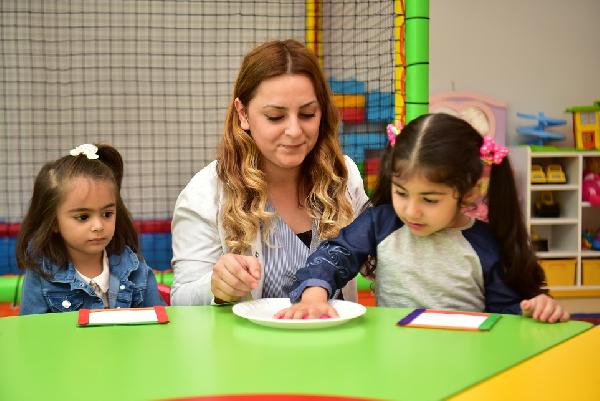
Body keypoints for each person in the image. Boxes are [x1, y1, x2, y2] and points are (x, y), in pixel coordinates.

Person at [277, 113, 569, 323]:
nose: (411, 210)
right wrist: (315, 292)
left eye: (429, 199)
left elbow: (507, 317)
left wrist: (535, 309)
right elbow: (337, 253)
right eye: (401, 193)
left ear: (468, 193)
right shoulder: (382, 223)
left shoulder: (485, 245)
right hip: (394, 362)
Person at [170, 39, 369, 305]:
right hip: (245, 347)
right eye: (276, 117)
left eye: (308, 114)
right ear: (243, 114)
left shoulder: (343, 177)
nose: (295, 131)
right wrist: (216, 287)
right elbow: (181, 300)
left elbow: (378, 259)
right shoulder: (204, 194)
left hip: (333, 342)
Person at [16, 144, 165, 315]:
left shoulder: (134, 267)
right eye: (83, 217)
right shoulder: (42, 273)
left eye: (107, 214)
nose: (98, 226)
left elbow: (158, 319)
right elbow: (32, 332)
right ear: (54, 222)